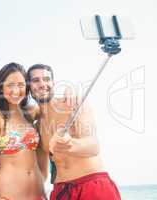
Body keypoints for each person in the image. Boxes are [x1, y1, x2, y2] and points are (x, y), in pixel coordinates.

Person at [27, 64, 121, 200]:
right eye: (36, 80)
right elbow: (42, 173)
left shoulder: (74, 104)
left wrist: (70, 144)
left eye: (47, 79)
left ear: (53, 83)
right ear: (29, 87)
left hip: (92, 185)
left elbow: (93, 146)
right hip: (61, 190)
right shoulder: (37, 125)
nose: (42, 84)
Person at [0, 62, 48, 200]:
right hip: (9, 195)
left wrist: (70, 95)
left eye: (20, 85)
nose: (16, 90)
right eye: (10, 85)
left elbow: (55, 110)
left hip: (38, 194)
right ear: (1, 88)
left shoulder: (32, 112)